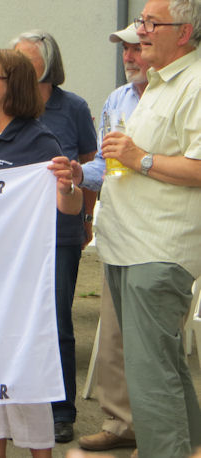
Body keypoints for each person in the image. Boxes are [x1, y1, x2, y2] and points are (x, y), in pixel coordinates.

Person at [0, 48, 83, 458]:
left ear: (11, 88)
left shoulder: (39, 140)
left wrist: (68, 188)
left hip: (17, 286)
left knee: (24, 382)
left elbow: (69, 207)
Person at [95, 0, 201, 456]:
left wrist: (140, 159)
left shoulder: (195, 83)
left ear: (184, 32)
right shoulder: (159, 83)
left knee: (150, 379)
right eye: (142, 21)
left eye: (151, 23)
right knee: (163, 368)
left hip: (157, 251)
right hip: (128, 247)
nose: (140, 31)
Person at [11, 30, 97, 443]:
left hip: (60, 230)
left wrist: (87, 218)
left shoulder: (73, 108)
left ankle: (61, 411)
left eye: (24, 59)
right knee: (16, 318)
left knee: (58, 320)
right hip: (16, 234)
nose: (15, 66)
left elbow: (89, 166)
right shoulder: (10, 105)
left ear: (47, 65)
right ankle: (20, 401)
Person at [73, 23, 150, 453]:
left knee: (153, 343)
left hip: (158, 235)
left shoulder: (177, 96)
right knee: (115, 338)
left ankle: (158, 434)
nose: (129, 57)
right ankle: (121, 423)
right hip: (117, 231)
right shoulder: (116, 99)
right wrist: (79, 172)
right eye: (124, 49)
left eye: (136, 47)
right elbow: (105, 165)